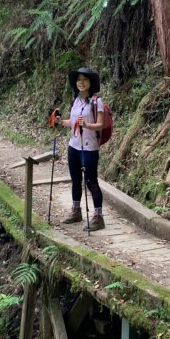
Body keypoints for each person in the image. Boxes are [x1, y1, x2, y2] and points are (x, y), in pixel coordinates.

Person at [55, 67, 105, 231]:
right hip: (74, 146)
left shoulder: (97, 102)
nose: (81, 83)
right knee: (75, 180)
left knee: (91, 181)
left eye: (84, 80)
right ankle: (76, 211)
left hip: (89, 148)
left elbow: (101, 125)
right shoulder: (75, 100)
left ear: (90, 83)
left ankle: (98, 216)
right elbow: (73, 121)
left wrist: (87, 125)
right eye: (78, 80)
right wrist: (61, 122)